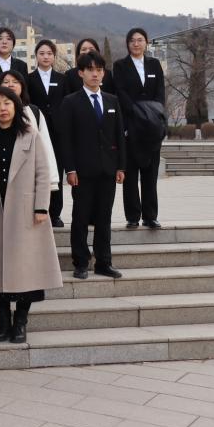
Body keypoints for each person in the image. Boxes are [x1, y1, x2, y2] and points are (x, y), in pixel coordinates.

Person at [0, 87, 63, 344]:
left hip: (26, 211)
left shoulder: (30, 134)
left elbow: (43, 172)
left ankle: (20, 322)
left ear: (16, 106)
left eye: (7, 103)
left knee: (28, 268)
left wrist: (42, 207)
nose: (2, 108)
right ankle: (3, 322)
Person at [57, 51, 126, 280]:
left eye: (99, 70)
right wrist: (70, 169)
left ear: (103, 73)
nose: (95, 74)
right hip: (82, 171)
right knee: (80, 217)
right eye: (90, 70)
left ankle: (104, 262)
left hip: (108, 169)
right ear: (81, 73)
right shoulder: (71, 102)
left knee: (104, 217)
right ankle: (81, 262)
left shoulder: (112, 100)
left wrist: (121, 166)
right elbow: (65, 139)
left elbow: (119, 135)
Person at [112, 27, 166, 229]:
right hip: (131, 125)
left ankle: (150, 216)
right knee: (131, 174)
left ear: (146, 43)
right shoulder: (120, 66)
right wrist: (137, 111)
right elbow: (120, 92)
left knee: (150, 175)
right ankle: (133, 216)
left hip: (152, 128)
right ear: (128, 44)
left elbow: (160, 92)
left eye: (140, 40)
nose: (136, 43)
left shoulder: (154, 64)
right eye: (132, 40)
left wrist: (154, 113)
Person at [0, 70, 59, 196]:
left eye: (15, 82)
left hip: (28, 180)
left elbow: (45, 146)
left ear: (22, 86)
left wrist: (51, 180)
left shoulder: (34, 112)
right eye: (6, 82)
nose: (10, 85)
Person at [28, 39, 67, 227]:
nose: (45, 57)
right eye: (42, 53)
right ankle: (39, 209)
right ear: (36, 56)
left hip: (58, 131)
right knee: (38, 171)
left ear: (54, 56)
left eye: (49, 53)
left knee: (56, 170)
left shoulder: (62, 79)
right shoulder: (28, 79)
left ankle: (55, 213)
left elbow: (67, 102)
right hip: (37, 130)